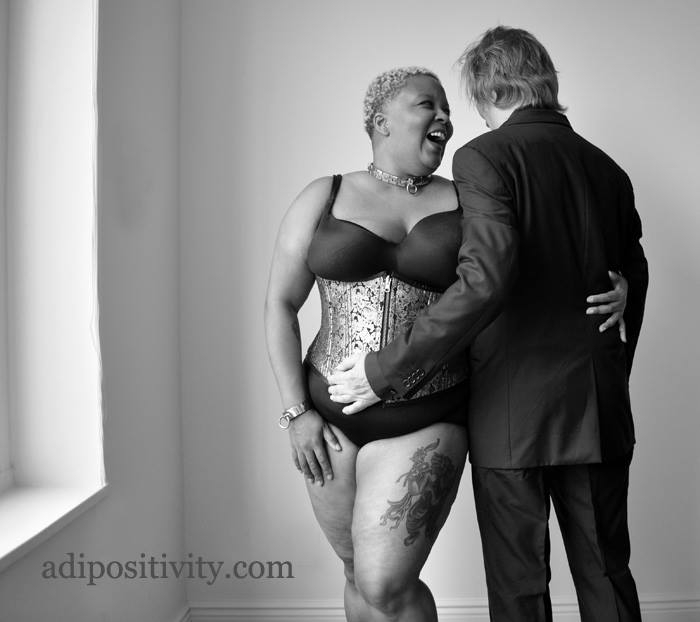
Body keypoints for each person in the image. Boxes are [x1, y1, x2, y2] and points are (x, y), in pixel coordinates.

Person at [265, 66, 629, 622]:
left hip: (428, 413)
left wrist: (619, 285)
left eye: (447, 108)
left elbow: (527, 267)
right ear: (381, 120)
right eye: (427, 104)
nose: (445, 116)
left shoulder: (469, 196)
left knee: (384, 582)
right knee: (357, 576)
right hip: (327, 420)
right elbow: (279, 304)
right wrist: (296, 413)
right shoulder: (324, 194)